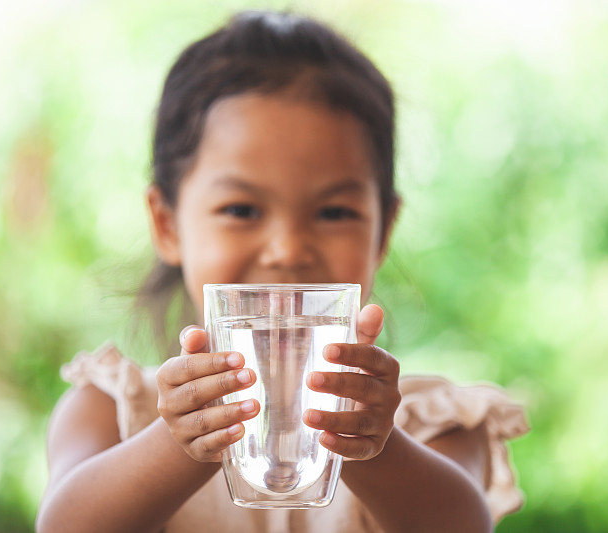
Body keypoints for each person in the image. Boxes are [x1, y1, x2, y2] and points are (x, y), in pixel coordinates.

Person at [36, 10, 529, 533]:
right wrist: (177, 444)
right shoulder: (109, 413)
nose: (289, 249)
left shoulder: (433, 425)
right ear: (168, 225)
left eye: (334, 212)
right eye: (242, 210)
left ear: (383, 231)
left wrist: (376, 450)